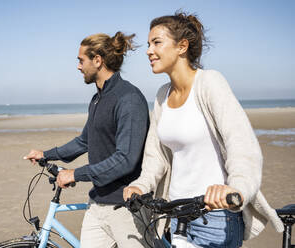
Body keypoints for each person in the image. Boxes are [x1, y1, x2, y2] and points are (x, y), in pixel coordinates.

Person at [123, 12, 283, 248]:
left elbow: (241, 145)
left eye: (156, 42)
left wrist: (235, 188)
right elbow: (155, 155)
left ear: (182, 46)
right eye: (148, 44)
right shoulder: (161, 96)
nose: (148, 50)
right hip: (175, 214)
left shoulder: (209, 83)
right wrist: (141, 184)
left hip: (215, 215)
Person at [24, 32, 150, 248]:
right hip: (97, 204)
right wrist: (46, 154)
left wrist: (76, 174)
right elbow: (84, 141)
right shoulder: (97, 99)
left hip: (126, 208)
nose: (78, 67)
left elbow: (125, 159)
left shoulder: (128, 98)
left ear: (98, 60)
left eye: (81, 60)